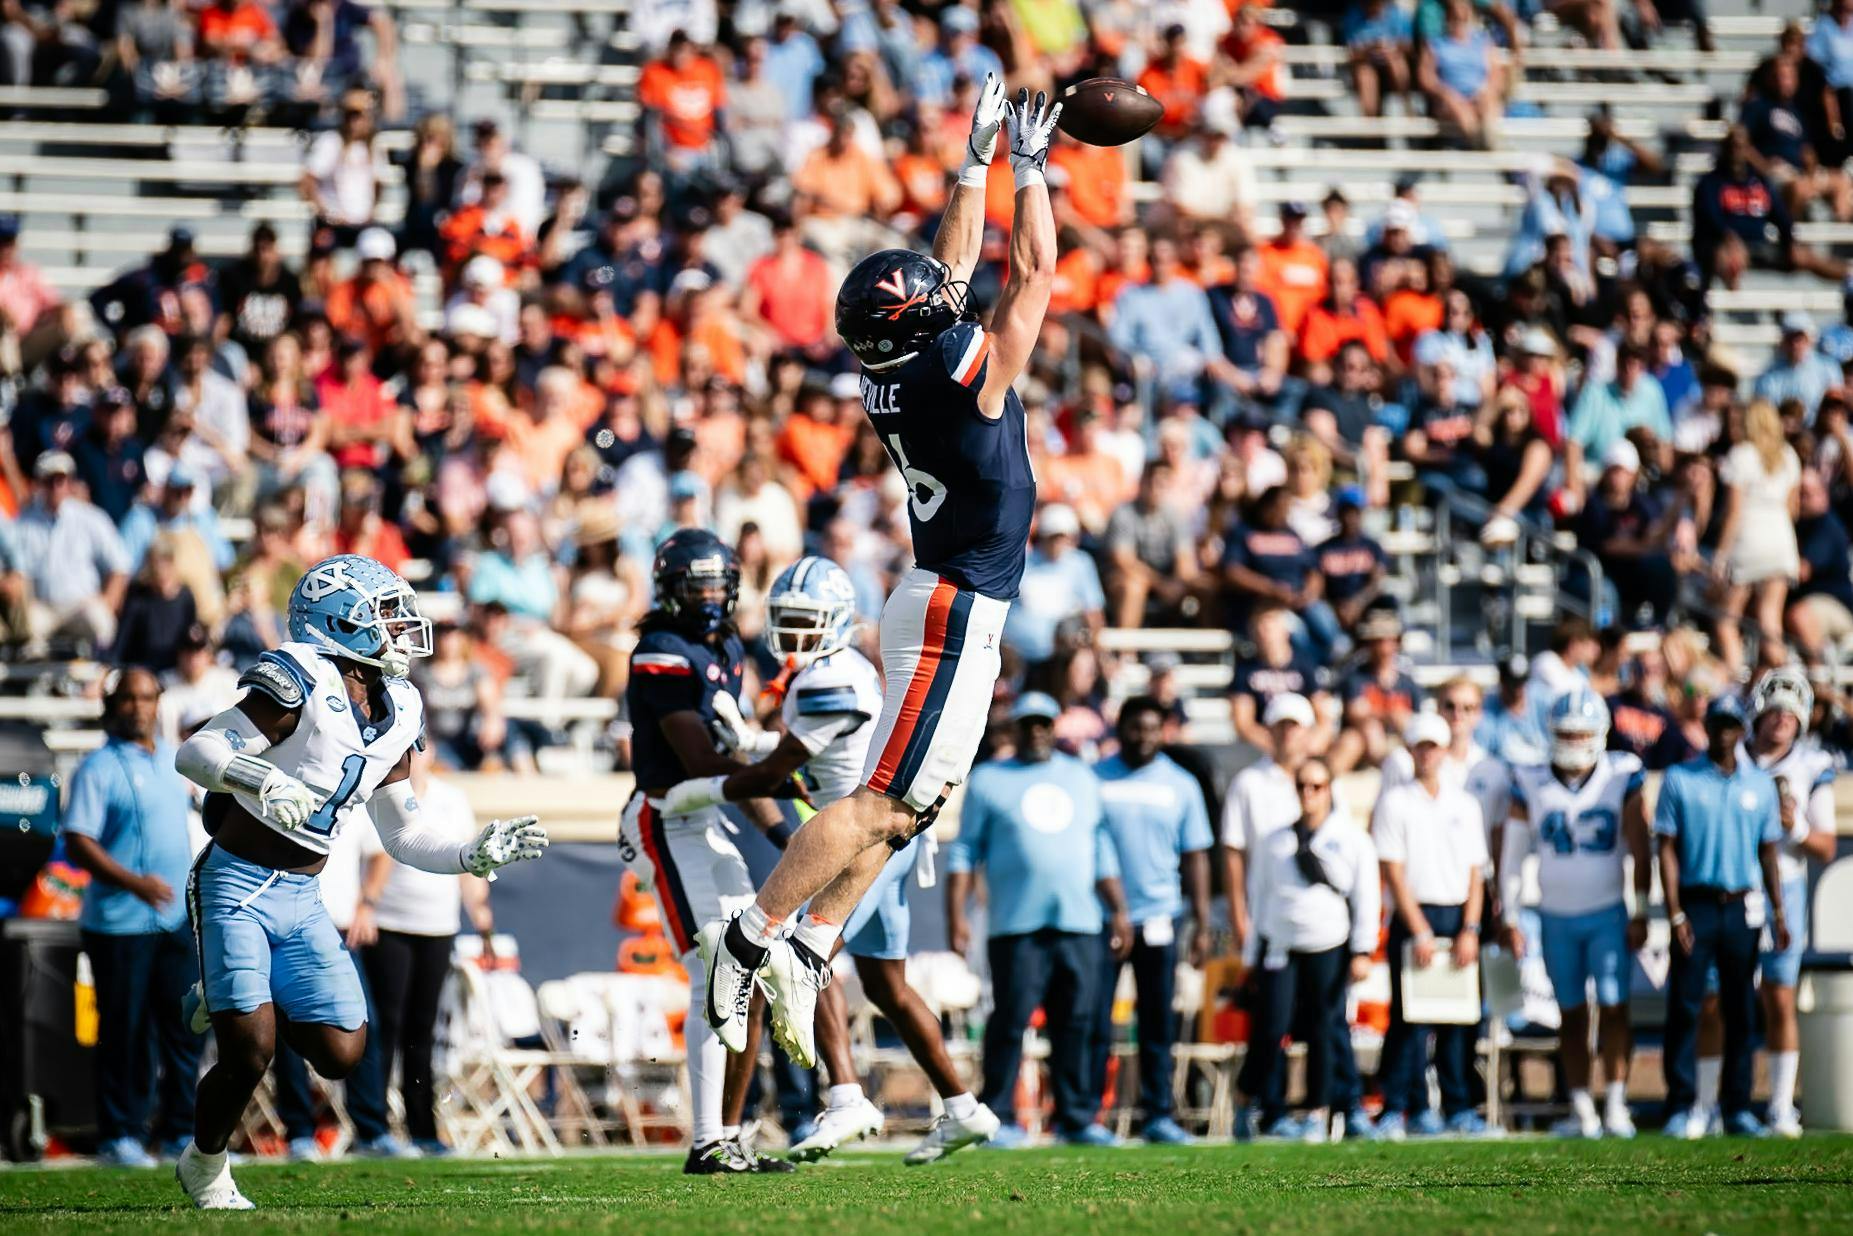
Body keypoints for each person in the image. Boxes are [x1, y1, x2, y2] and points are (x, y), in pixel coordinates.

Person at [694, 81, 1061, 1068]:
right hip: (954, 607)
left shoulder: (893, 367)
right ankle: (755, 934)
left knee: (916, 805)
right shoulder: (960, 383)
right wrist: (1029, 174)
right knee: (881, 801)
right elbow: (1028, 279)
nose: (951, 295)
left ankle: (813, 943)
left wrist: (971, 165)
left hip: (939, 596)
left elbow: (946, 270)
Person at [171, 555, 549, 1209]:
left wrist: (470, 853)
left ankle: (231, 988)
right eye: (387, 618)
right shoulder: (299, 677)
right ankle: (205, 1165)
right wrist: (259, 777)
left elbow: (402, 833)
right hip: (234, 882)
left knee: (343, 1052)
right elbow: (197, 751)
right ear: (339, 623)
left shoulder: (399, 704)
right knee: (251, 1047)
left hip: (302, 896)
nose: (402, 631)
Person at [687, 557, 999, 1164]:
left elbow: (781, 774)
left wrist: (717, 773)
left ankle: (846, 1093)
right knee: (886, 983)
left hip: (863, 845)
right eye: (787, 622)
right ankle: (964, 1108)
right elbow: (808, 757)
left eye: (807, 622)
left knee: (800, 954)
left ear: (834, 622)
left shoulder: (828, 677)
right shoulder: (838, 669)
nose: (794, 635)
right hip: (886, 840)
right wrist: (752, 744)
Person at [612, 530, 799, 1176]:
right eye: (700, 586)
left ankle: (727, 1133)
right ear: (672, 589)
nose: (713, 596)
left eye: (721, 584)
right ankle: (704, 1142)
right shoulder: (659, 652)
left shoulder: (723, 647)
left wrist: (790, 835)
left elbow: (737, 765)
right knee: (714, 970)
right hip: (665, 816)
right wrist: (786, 767)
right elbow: (701, 762)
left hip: (705, 816)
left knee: (748, 971)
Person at [945, 692, 1130, 1148]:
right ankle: (999, 1116)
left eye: (1044, 723)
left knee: (1079, 1020)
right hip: (1015, 924)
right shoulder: (988, 780)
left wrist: (1119, 910)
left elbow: (1099, 847)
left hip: (1080, 921)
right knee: (1009, 1020)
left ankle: (1077, 1118)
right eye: (1028, 724)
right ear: (1015, 729)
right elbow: (966, 850)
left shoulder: (1081, 778)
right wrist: (957, 916)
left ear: (1055, 726)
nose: (1037, 732)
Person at [60, 668, 202, 1167]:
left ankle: (181, 1131)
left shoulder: (173, 762)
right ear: (112, 706)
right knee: (125, 1031)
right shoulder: (96, 768)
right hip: (119, 924)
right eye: (129, 699)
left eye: (147, 697)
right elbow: (79, 841)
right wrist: (133, 882)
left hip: (174, 922)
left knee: (185, 1029)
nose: (139, 707)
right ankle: (119, 1133)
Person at [1499, 689, 1651, 1139]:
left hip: (1606, 912)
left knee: (1614, 1007)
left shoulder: (1621, 774)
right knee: (1570, 1014)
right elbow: (1512, 855)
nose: (1572, 740)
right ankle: (1583, 1107)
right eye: (1565, 732)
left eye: (1581, 732)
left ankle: (1618, 1103)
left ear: (1599, 734)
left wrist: (1641, 909)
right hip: (1555, 915)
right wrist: (1509, 915)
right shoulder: (1529, 778)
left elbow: (1640, 848)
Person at [1656, 693, 1789, 1139]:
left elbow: (1768, 851)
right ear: (1708, 727)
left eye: (1733, 724)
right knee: (1687, 1004)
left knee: (1741, 1009)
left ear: (1742, 729)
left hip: (1742, 905)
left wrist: (1779, 911)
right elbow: (1667, 849)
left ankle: (1737, 1107)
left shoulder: (1760, 784)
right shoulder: (1680, 778)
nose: (1725, 733)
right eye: (1718, 724)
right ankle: (1682, 1105)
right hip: (1696, 902)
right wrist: (1674, 913)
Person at [350, 746, 494, 1156]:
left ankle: (422, 1130)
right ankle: (373, 1129)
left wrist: (481, 915)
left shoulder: (452, 799)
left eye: (420, 747)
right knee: (385, 1028)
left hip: (438, 925)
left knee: (422, 1031)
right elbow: (375, 859)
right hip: (392, 925)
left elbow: (469, 861)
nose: (415, 756)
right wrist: (368, 906)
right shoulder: (380, 798)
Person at [1234, 758, 1380, 1143]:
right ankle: (1257, 1105)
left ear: (1330, 789)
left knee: (1324, 1030)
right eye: (1301, 786)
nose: (1308, 794)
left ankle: (1319, 1111)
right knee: (1270, 1028)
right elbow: (1259, 899)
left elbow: (1366, 896)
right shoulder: (1274, 841)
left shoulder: (1350, 838)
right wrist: (1251, 957)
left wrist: (1363, 949)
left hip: (1328, 944)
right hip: (1280, 945)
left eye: (1316, 786)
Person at [1091, 696, 1214, 1146]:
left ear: (1163, 731)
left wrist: (1201, 922)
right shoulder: (1095, 778)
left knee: (1158, 1023)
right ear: (1119, 728)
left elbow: (1196, 854)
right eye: (1135, 728)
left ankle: (1158, 1114)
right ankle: (1088, 1115)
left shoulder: (1181, 783)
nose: (1143, 737)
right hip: (1103, 918)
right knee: (1096, 1021)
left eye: (1151, 728)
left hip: (1161, 917)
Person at [1372, 711, 1489, 1139]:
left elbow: (1477, 872)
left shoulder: (1465, 803)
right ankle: (1402, 1107)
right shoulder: (1395, 801)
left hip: (1456, 915)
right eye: (1420, 745)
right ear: (1410, 750)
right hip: (1415, 914)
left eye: (1432, 746)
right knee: (1410, 1021)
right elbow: (1394, 872)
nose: (1426, 754)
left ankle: (1459, 1107)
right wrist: (1420, 928)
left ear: (1442, 751)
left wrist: (1470, 928)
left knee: (1458, 1021)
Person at [1739, 669, 1838, 1138]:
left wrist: (1794, 827)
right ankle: (1714, 1103)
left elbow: (1824, 846)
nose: (1781, 721)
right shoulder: (1732, 757)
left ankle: (1780, 1105)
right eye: (1774, 711)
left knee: (1779, 998)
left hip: (1786, 887)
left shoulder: (1811, 765)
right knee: (1722, 1000)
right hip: (1733, 886)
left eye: (1790, 714)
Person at [1711, 399, 1800, 676]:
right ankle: (1786, 677)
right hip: (1782, 539)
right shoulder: (1788, 455)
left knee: (1726, 619)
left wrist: (1720, 554)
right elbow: (1793, 509)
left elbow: (1734, 511)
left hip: (1750, 539)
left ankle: (1735, 678)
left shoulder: (1741, 455)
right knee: (1770, 622)